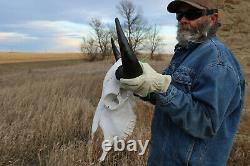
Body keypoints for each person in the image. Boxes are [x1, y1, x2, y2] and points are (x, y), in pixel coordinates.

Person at [117, 0, 246, 165]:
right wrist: (143, 85)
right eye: (179, 15)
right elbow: (167, 97)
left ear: (212, 19)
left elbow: (205, 122)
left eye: (192, 14)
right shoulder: (185, 53)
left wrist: (162, 87)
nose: (183, 19)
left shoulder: (217, 61)